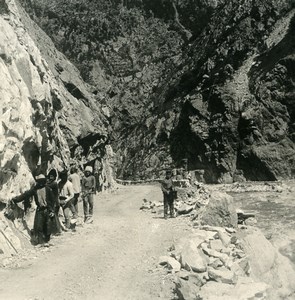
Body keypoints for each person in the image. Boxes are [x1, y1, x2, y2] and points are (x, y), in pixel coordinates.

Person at [11, 174, 55, 246]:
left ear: (44, 181)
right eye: (39, 181)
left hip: (47, 209)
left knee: (48, 225)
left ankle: (47, 240)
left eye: (42, 181)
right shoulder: (35, 189)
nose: (41, 183)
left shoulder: (48, 189)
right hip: (40, 210)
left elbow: (52, 201)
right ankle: (41, 242)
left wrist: (52, 210)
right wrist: (16, 199)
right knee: (39, 226)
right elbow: (26, 195)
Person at [46, 169, 62, 235]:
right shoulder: (51, 183)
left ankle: (56, 230)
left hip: (54, 202)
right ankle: (56, 230)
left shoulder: (54, 184)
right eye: (50, 176)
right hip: (51, 201)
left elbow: (47, 187)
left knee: (54, 216)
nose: (51, 177)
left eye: (52, 176)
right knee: (53, 216)